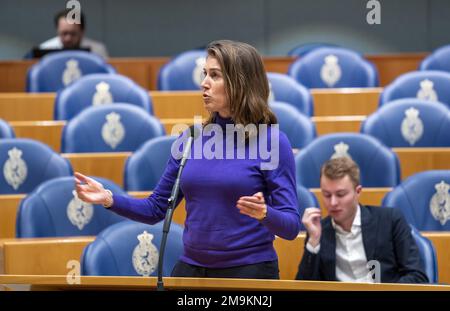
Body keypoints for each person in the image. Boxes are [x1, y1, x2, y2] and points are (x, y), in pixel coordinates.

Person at [75, 40, 301, 279]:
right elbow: (155, 208)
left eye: (215, 75)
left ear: (241, 83)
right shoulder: (191, 139)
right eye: (205, 74)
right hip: (192, 270)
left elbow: (290, 226)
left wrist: (265, 213)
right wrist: (109, 199)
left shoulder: (272, 141)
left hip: (249, 272)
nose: (204, 83)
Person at [296, 157, 429, 283]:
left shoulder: (389, 221)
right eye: (326, 195)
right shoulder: (318, 232)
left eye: (341, 194)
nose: (333, 202)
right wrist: (313, 243)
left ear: (358, 191)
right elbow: (304, 286)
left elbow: (417, 276)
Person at [39, 8, 109, 58]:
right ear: (57, 30)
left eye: (73, 33)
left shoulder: (97, 51)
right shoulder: (44, 50)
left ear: (82, 31)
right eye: (64, 33)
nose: (68, 38)